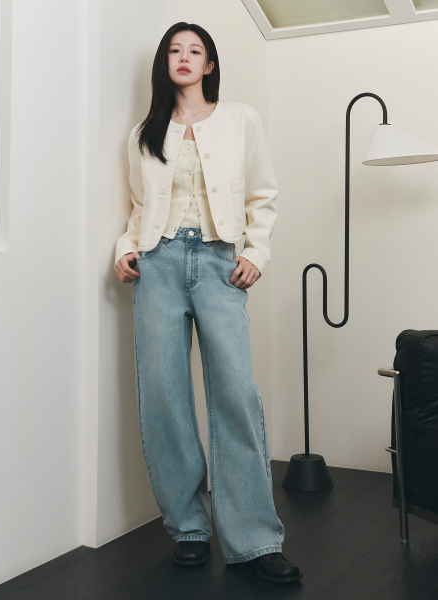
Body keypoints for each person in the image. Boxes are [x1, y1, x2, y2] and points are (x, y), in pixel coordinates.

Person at [114, 22, 302, 585]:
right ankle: (190, 529)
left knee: (236, 395)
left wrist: (257, 253)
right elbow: (138, 206)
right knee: (165, 397)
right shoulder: (143, 133)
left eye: (195, 50)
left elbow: (263, 195)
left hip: (221, 263)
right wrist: (126, 249)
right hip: (158, 265)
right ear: (165, 63)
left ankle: (255, 540)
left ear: (209, 64)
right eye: (175, 50)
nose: (184, 57)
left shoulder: (240, 119)